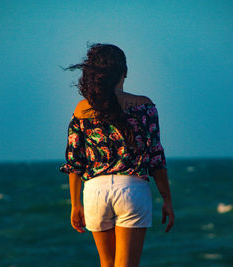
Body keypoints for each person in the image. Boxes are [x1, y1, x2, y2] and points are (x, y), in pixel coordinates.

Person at [59, 43, 174, 267]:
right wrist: (167, 200)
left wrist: (75, 204)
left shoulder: (82, 110)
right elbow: (156, 159)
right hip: (132, 189)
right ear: (125, 72)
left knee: (107, 263)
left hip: (94, 191)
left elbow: (75, 162)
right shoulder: (145, 106)